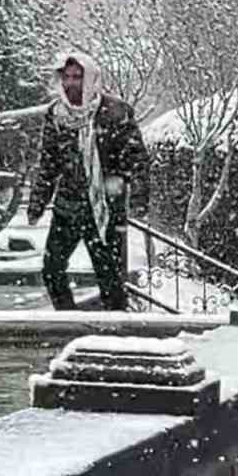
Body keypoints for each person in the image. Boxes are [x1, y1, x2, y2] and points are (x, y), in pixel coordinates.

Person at [28, 52, 149, 311]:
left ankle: (117, 333)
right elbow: (49, 163)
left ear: (90, 79)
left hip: (104, 208)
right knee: (52, 270)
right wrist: (38, 202)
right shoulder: (56, 114)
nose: (71, 84)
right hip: (68, 207)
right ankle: (69, 321)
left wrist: (134, 195)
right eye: (67, 77)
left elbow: (137, 158)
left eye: (78, 78)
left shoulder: (115, 112)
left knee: (111, 278)